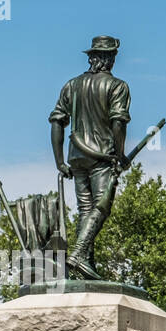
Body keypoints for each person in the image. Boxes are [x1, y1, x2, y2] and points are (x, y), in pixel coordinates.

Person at [49, 35, 132, 281]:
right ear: (109, 59)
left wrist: (59, 161)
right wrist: (119, 155)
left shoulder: (71, 85)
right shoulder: (118, 86)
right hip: (101, 157)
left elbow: (56, 122)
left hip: (76, 157)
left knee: (86, 210)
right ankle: (77, 253)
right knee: (101, 207)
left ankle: (85, 265)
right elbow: (118, 123)